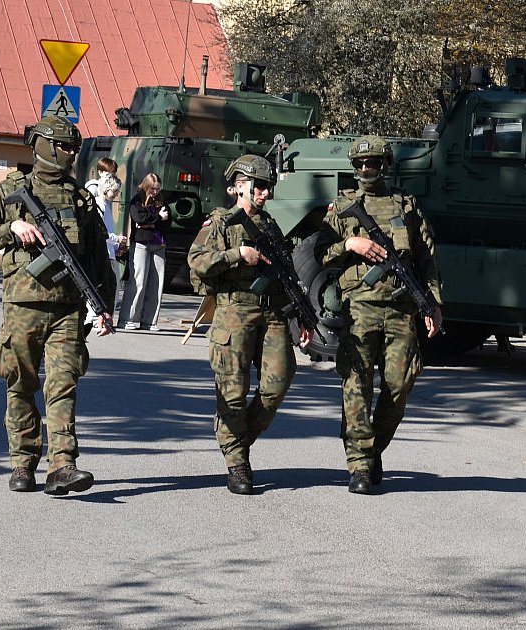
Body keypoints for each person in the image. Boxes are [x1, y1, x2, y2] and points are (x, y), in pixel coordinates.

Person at [0, 115, 116, 494]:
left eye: (75, 149)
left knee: (63, 385)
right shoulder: (13, 189)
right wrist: (11, 229)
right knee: (21, 385)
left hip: (68, 308)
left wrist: (104, 307)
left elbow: (97, 260)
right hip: (23, 304)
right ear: (43, 145)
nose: (70, 154)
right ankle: (23, 464)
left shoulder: (80, 197)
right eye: (64, 147)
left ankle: (62, 466)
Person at [319, 135, 442, 494]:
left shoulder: (406, 205)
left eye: (371, 163)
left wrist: (434, 304)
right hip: (360, 307)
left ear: (384, 165)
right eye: (359, 164)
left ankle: (373, 451)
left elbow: (428, 260)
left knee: (400, 385)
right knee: (356, 385)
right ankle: (359, 464)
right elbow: (321, 254)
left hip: (402, 309)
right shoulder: (342, 208)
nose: (365, 169)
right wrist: (349, 244)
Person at [186, 154, 312, 495]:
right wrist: (235, 255)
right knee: (233, 392)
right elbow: (196, 263)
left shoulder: (270, 225)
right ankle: (237, 461)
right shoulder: (221, 223)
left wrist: (301, 315)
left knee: (279, 381)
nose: (265, 194)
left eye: (269, 187)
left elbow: (286, 275)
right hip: (234, 312)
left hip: (272, 314)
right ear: (239, 186)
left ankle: (236, 438)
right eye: (259, 186)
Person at [119, 172, 169, 331]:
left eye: (158, 189)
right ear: (147, 186)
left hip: (159, 244)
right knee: (138, 281)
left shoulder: (161, 199)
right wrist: (158, 218)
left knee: (157, 284)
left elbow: (168, 221)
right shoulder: (137, 199)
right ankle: (127, 319)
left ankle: (149, 321)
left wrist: (151, 222)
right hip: (140, 243)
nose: (155, 192)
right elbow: (138, 218)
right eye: (153, 189)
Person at [92, 172, 128, 312]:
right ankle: (96, 315)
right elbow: (100, 231)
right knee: (104, 285)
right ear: (106, 189)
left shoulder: (107, 204)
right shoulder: (100, 204)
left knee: (112, 285)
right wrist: (116, 239)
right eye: (115, 191)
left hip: (109, 251)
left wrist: (116, 246)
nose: (116, 194)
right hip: (102, 252)